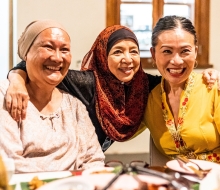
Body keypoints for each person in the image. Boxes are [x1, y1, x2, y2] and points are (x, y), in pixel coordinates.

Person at [5, 24, 220, 152]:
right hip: (71, 161)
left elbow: (175, 75)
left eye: (133, 51)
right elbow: (33, 66)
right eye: (117, 52)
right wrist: (16, 79)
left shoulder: (145, 85)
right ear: (102, 56)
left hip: (96, 162)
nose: (127, 59)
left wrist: (211, 75)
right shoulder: (86, 82)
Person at [0, 19, 105, 172]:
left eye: (64, 50)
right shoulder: (5, 95)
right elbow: (8, 162)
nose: (57, 58)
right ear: (26, 54)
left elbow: (93, 158)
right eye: (48, 47)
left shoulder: (74, 105)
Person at [140, 15, 220, 162]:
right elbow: (120, 130)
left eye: (185, 51)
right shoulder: (149, 99)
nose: (177, 61)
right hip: (175, 181)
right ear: (153, 54)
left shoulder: (212, 88)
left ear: (195, 52)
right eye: (167, 51)